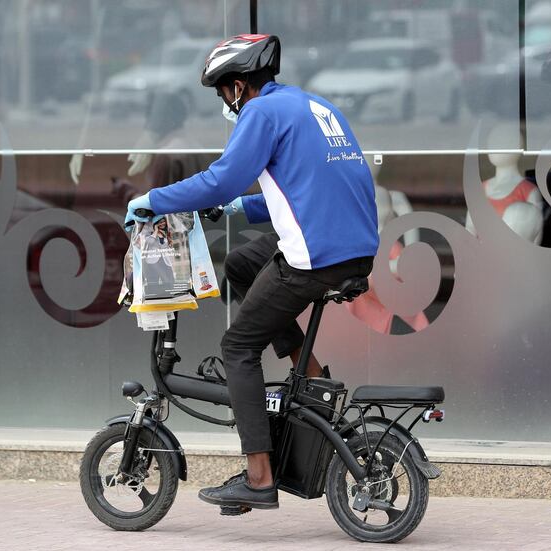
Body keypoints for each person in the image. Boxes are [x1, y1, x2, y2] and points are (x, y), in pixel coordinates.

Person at [125, 34, 378, 512]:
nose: (224, 101)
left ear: (238, 87)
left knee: (237, 347)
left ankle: (259, 477)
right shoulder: (310, 106)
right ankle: (310, 369)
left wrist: (152, 200)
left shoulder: (260, 113)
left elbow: (220, 176)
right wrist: (240, 206)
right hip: (351, 246)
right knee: (241, 264)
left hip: (316, 254)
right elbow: (303, 186)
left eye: (222, 91)